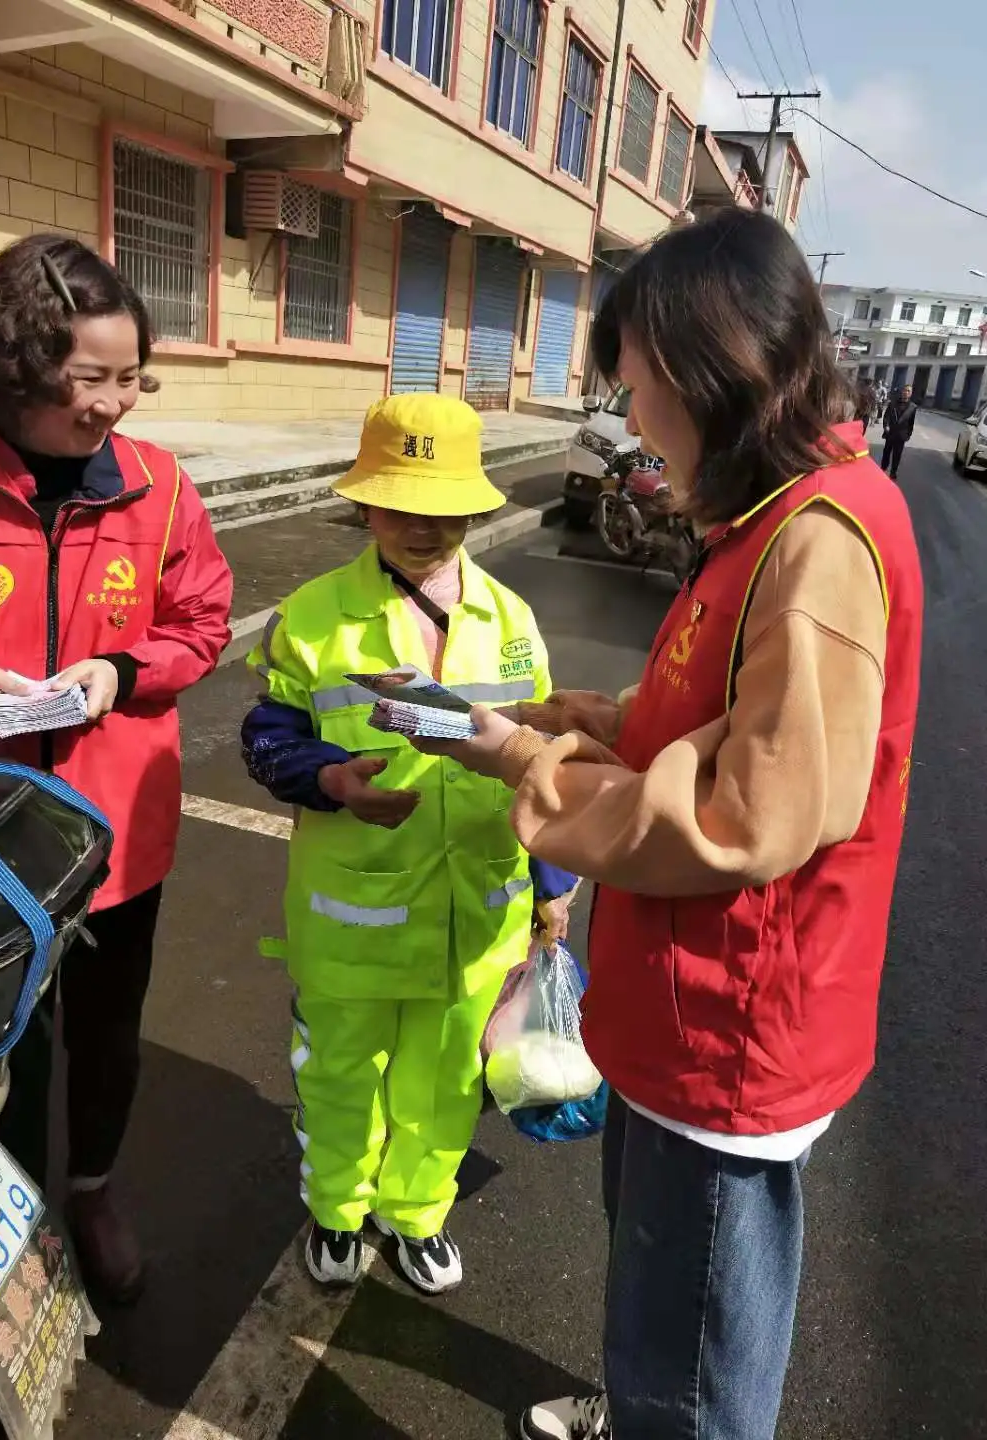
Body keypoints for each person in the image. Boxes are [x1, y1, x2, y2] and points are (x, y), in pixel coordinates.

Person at [407, 210, 923, 1439]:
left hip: (730, 1027)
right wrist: (554, 712)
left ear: (715, 373)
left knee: (692, 1353)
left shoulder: (817, 543)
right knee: (668, 1308)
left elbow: (750, 814)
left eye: (639, 391)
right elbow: (693, 706)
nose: (631, 422)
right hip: (684, 1007)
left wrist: (527, 762)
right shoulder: (761, 521)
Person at [0, 235, 233, 1302]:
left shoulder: (158, 486)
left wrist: (122, 669)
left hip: (113, 832)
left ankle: (91, 1185)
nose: (115, 403)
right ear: (11, 366)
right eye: (87, 377)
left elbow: (202, 619)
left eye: (130, 375)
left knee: (103, 1029)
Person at [240, 393, 576, 1295]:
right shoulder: (312, 618)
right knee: (342, 1079)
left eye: (446, 511)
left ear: (476, 506)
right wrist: (328, 779)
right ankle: (339, 1213)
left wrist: (552, 885)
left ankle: (417, 1214)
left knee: (443, 1087)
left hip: (479, 918)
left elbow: (545, 766)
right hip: (352, 920)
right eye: (401, 507)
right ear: (364, 503)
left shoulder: (512, 623)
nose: (426, 528)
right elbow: (268, 739)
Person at [881, 382, 917, 476]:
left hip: (901, 435)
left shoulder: (913, 407)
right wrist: (886, 426)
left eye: (908, 391)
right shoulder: (893, 403)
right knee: (886, 453)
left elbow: (911, 423)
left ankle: (893, 472)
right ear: (902, 392)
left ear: (911, 393)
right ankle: (883, 469)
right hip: (890, 432)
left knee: (897, 455)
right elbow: (886, 416)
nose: (906, 392)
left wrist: (908, 435)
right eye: (905, 390)